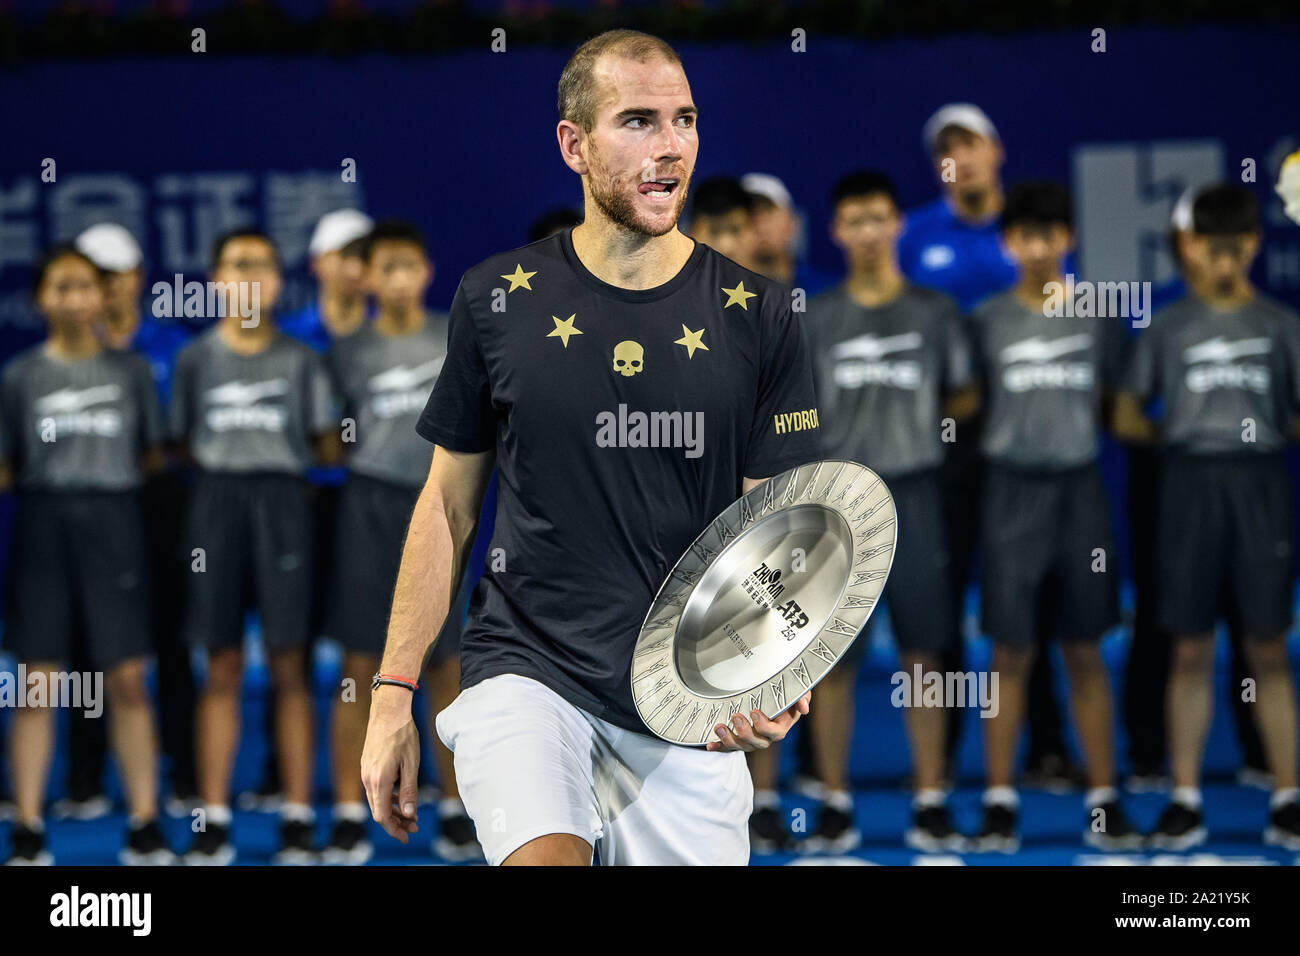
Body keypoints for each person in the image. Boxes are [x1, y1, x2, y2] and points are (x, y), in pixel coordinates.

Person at [360, 29, 820, 866]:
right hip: (525, 668)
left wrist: (776, 672)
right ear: (573, 144)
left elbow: (776, 531)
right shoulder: (494, 300)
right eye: (637, 121)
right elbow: (447, 506)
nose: (670, 146)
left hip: (686, 702)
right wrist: (393, 693)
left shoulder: (763, 315)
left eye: (684, 119)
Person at [1113, 184, 1300, 850]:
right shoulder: (1168, 327)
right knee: (1189, 646)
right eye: (1210, 250)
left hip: (1260, 488)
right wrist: (1184, 436)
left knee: (1269, 647)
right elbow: (1129, 412)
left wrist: (1265, 431)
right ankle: (1185, 798)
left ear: (1252, 244)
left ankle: (1287, 798)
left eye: (1234, 250)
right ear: (1191, 249)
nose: (1223, 263)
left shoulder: (1281, 326)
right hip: (1188, 485)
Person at [899, 104, 1079, 790]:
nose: (960, 158)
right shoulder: (913, 238)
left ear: (997, 150)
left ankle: (1047, 747)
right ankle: (936, 762)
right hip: (939, 444)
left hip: (1022, 443)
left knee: (1027, 599)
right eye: (947, 148)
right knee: (938, 598)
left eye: (970, 143)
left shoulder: (1029, 234)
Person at [805, 170, 977, 853]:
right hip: (840, 502)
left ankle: (932, 798)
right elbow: (798, 410)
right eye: (856, 221)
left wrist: (919, 427)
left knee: (923, 654)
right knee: (832, 658)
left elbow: (964, 396)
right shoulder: (817, 319)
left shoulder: (935, 313)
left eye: (880, 218)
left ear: (897, 225)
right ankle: (835, 800)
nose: (869, 232)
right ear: (837, 232)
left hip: (915, 495)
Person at [969, 182, 1139, 852]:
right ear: (1008, 243)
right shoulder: (984, 321)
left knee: (1086, 649)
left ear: (1069, 238)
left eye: (1051, 234)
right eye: (1025, 236)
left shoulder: (1099, 319)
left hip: (1080, 493)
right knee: (1008, 651)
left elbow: (1115, 407)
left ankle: (1104, 799)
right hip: (1010, 493)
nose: (1038, 248)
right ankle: (1000, 801)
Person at [0, 243, 173, 864]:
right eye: (61, 286)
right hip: (44, 525)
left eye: (85, 286)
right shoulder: (19, 377)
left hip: (116, 522)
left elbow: (154, 455)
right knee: (37, 682)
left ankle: (146, 821)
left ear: (105, 297)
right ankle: (25, 824)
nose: (74, 298)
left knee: (127, 678)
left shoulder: (130, 373)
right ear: (40, 299)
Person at [171, 229, 339, 864]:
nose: (249, 277)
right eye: (236, 265)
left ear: (276, 282)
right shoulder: (194, 361)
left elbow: (326, 443)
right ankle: (212, 818)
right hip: (214, 507)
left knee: (290, 663)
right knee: (219, 665)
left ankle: (297, 816)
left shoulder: (301, 360)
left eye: (261, 266)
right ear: (215, 281)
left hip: (284, 507)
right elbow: (180, 442)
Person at [322, 220, 479, 864]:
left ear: (427, 271)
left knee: (445, 662)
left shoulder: (453, 336)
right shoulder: (343, 352)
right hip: (367, 508)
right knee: (362, 665)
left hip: (438, 506)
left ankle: (456, 805)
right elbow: (329, 438)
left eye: (407, 267)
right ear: (365, 277)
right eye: (384, 268)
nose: (397, 280)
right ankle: (345, 811)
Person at [70, 222, 198, 818]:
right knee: (87, 643)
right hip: (90, 506)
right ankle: (85, 780)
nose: (110, 287)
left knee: (171, 638)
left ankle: (184, 776)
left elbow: (184, 437)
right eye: (97, 277)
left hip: (158, 504)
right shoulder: (66, 352)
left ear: (137, 277)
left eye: (118, 276)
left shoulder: (172, 347)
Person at [741, 172, 837, 298]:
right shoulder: (716, 296)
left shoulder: (826, 291)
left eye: (767, 210)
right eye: (749, 213)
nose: (759, 223)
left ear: (793, 223)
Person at [688, 176, 761, 272]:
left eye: (736, 230)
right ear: (691, 233)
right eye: (713, 231)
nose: (726, 247)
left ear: (755, 231)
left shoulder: (778, 286)